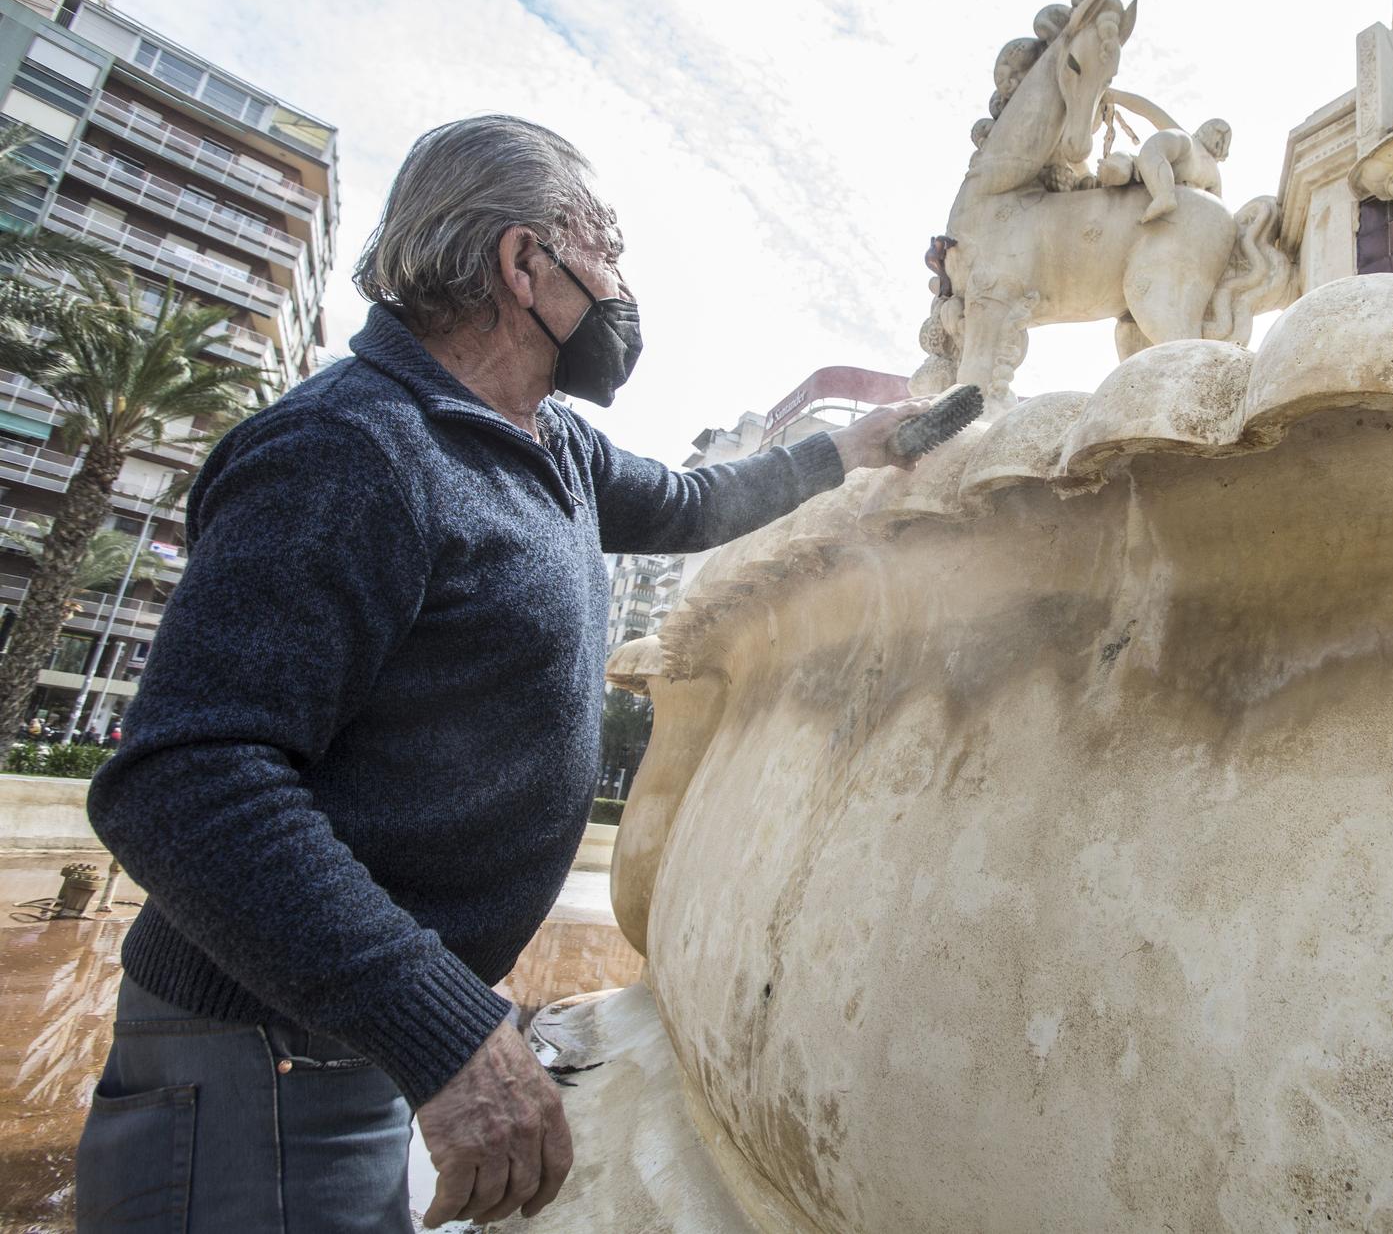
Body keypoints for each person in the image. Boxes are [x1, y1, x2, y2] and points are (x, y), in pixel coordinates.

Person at [77, 116, 936, 1232]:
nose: (622, 281)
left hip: (350, 1044)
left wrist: (851, 451)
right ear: (524, 264)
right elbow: (184, 781)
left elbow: (692, 502)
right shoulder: (353, 446)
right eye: (606, 246)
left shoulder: (551, 445)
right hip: (256, 1055)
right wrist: (442, 1027)